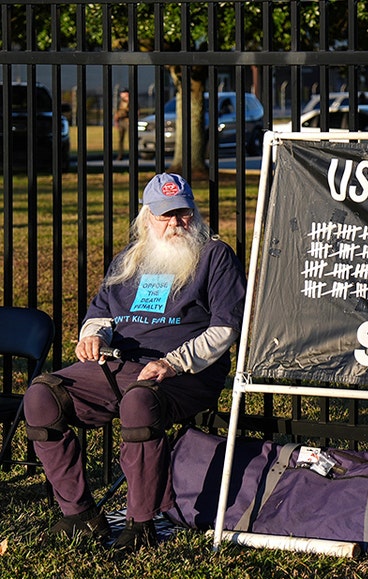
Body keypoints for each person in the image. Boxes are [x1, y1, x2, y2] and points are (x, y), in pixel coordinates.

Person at [24, 173, 247, 554]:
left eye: (183, 213)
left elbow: (227, 329)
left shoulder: (215, 255)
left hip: (184, 372)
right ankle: (80, 514)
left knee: (139, 402)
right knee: (42, 396)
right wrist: (93, 336)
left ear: (194, 213)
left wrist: (174, 363)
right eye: (164, 215)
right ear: (147, 218)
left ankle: (141, 522)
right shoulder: (129, 260)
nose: (175, 224)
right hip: (119, 364)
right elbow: (100, 315)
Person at [113, 88, 131, 161]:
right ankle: (120, 155)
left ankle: (131, 154)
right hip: (121, 121)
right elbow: (117, 112)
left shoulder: (131, 101)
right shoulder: (119, 102)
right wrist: (116, 121)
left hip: (128, 121)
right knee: (120, 139)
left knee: (131, 139)